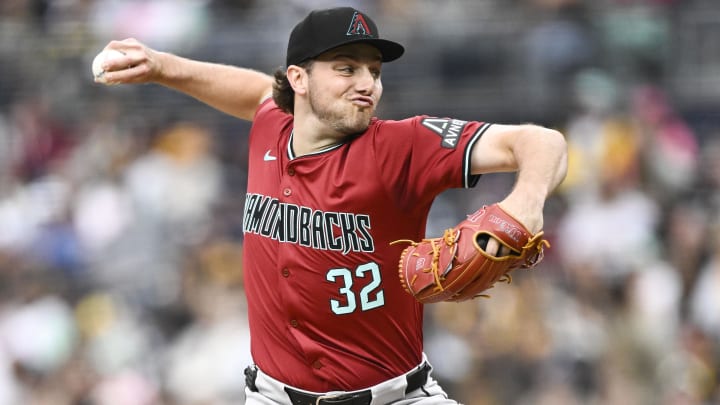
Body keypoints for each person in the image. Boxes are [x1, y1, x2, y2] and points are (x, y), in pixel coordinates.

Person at [96, 6, 568, 405]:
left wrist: (524, 205)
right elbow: (257, 92)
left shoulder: (403, 145)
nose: (368, 84)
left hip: (394, 396)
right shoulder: (272, 127)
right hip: (269, 395)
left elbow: (542, 142)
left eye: (375, 71)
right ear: (298, 79)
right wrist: (161, 67)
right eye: (347, 68)